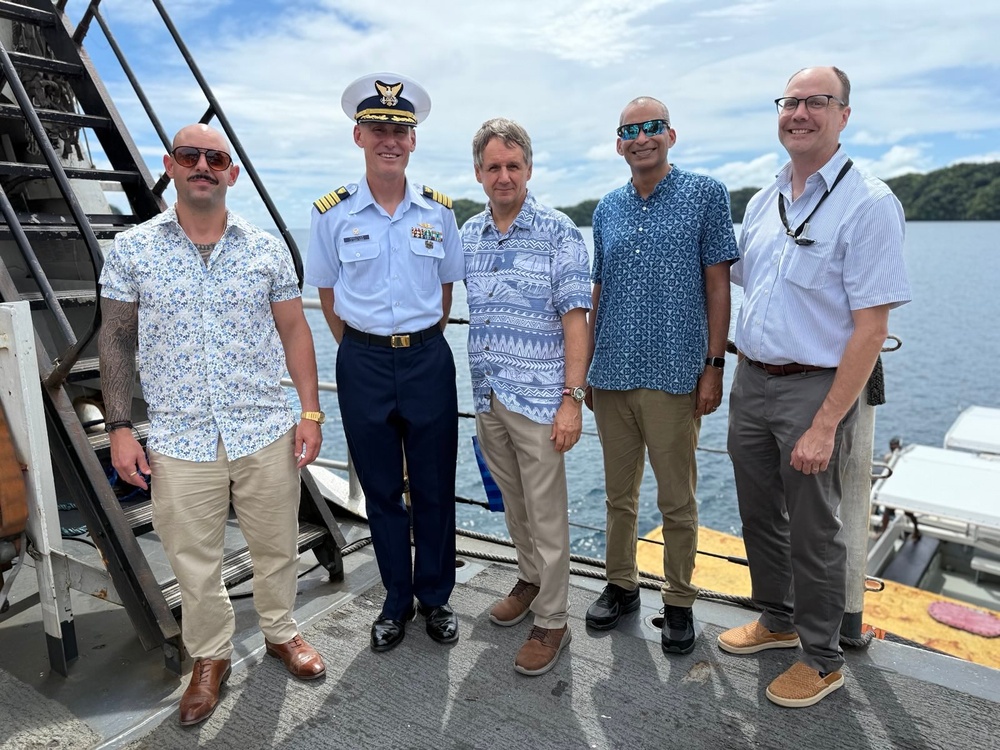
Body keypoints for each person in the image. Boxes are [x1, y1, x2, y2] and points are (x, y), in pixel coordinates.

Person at [99, 123, 327, 727]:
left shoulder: (265, 248)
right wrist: (119, 425)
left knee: (276, 544)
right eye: (190, 155)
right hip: (179, 434)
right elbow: (117, 339)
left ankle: (280, 631)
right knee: (191, 558)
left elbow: (295, 330)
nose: (203, 165)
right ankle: (210, 656)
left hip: (262, 428)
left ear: (231, 173)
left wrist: (310, 411)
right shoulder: (132, 250)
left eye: (216, 158)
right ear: (170, 166)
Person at [720, 66, 911, 708]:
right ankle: (777, 620)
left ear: (843, 115)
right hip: (753, 378)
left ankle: (822, 656)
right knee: (757, 512)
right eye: (791, 102)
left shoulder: (870, 203)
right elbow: (739, 282)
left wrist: (828, 420)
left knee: (815, 527)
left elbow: (871, 327)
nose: (799, 113)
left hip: (814, 388)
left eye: (816, 103)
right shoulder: (762, 199)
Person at [305, 73, 464, 654]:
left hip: (427, 360)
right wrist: (364, 346)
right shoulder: (333, 214)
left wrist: (415, 339)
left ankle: (436, 597)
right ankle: (396, 600)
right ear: (359, 136)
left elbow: (445, 295)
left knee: (433, 486)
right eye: (378, 128)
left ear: (413, 141)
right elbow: (326, 293)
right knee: (379, 490)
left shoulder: (439, 213)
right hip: (363, 364)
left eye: (400, 130)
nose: (388, 139)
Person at [586, 96, 738, 655]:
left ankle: (678, 600)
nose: (641, 137)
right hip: (613, 374)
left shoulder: (705, 195)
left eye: (652, 127)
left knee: (677, 500)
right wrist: (586, 371)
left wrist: (714, 365)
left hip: (677, 375)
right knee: (618, 497)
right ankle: (621, 585)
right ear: (619, 142)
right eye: (630, 130)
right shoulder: (606, 209)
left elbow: (718, 286)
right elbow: (599, 290)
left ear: (670, 135)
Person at [462, 118, 591, 676]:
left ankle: (554, 619)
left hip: (541, 401)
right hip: (489, 396)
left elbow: (576, 320)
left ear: (529, 170)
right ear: (479, 173)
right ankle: (531, 579)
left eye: (513, 165)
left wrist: (572, 399)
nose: (504, 175)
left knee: (547, 514)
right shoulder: (468, 235)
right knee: (514, 505)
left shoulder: (559, 231)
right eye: (493, 166)